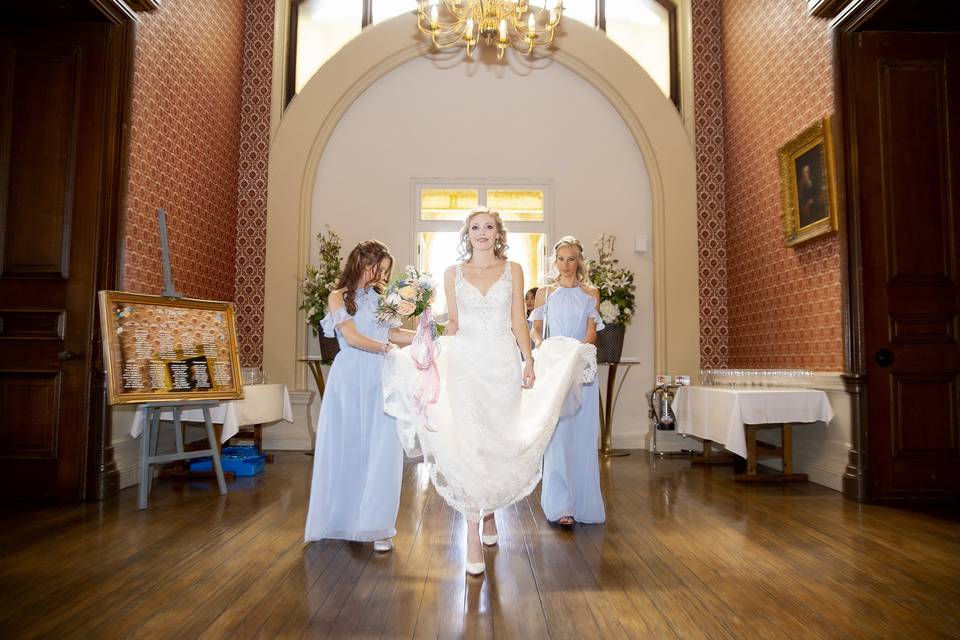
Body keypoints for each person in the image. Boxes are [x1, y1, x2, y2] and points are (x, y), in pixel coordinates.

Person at [383, 208, 596, 576]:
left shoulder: (512, 270)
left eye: (489, 227)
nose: (482, 232)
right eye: (475, 227)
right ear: (468, 233)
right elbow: (453, 322)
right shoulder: (452, 273)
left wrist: (528, 360)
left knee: (495, 439)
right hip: (464, 363)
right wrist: (423, 331)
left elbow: (518, 318)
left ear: (499, 234)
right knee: (469, 442)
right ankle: (471, 533)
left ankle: (491, 512)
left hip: (501, 362)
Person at [304, 240, 414, 552]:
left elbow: (391, 332)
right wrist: (386, 348)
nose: (382, 275)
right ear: (361, 264)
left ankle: (377, 525)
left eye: (386, 271)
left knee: (382, 448)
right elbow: (351, 337)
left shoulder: (383, 298)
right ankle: (341, 519)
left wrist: (424, 335)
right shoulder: (337, 297)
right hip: (350, 376)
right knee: (348, 445)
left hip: (381, 376)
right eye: (378, 269)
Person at [530, 236, 606, 527]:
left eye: (571, 258)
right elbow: (536, 330)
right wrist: (543, 347)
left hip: (581, 364)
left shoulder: (591, 293)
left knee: (583, 436)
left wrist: (575, 352)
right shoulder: (544, 293)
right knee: (558, 435)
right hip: (555, 365)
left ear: (579, 261)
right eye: (560, 258)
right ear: (555, 261)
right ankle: (561, 505)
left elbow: (591, 333)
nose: (565, 264)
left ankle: (584, 504)